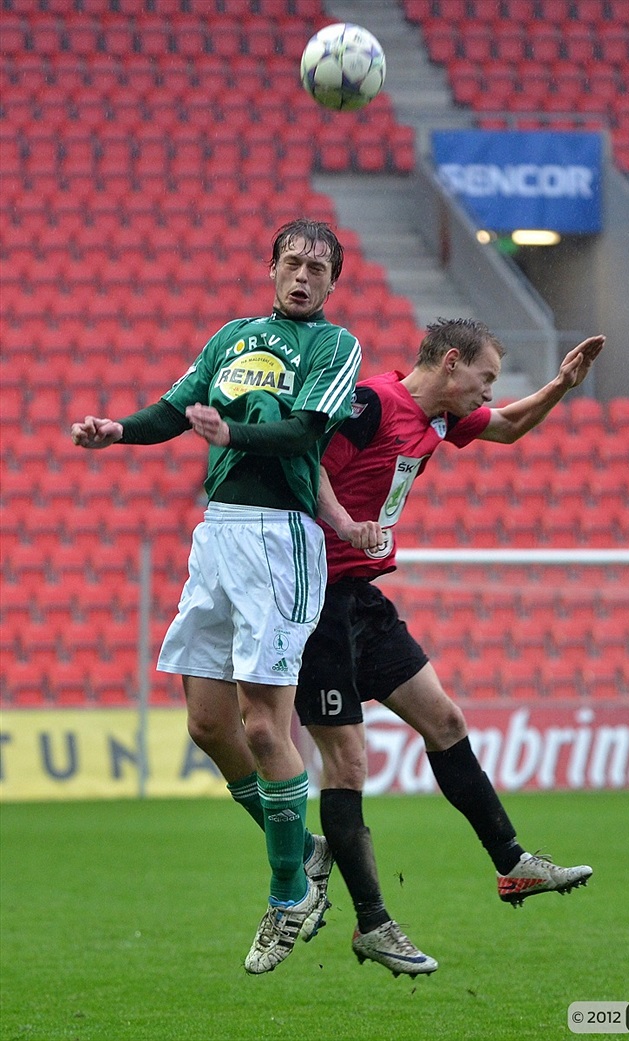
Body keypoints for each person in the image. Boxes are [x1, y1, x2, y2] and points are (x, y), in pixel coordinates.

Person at [70, 219, 362, 976]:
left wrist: (229, 432)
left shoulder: (334, 348)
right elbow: (175, 411)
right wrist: (117, 429)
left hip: (280, 541)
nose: (303, 276)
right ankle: (301, 845)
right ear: (270, 268)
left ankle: (287, 891)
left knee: (267, 729)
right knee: (207, 723)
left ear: (333, 282)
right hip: (220, 535)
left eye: (318, 268)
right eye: (292, 263)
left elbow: (302, 434)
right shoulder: (232, 336)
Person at [294, 318, 605, 977]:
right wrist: (348, 524)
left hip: (364, 601)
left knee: (446, 720)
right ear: (453, 363)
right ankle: (374, 922)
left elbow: (511, 426)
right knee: (347, 763)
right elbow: (309, 467)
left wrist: (559, 386)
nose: (486, 392)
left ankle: (512, 863)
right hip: (317, 600)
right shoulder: (372, 403)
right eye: (485, 378)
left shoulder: (439, 419)